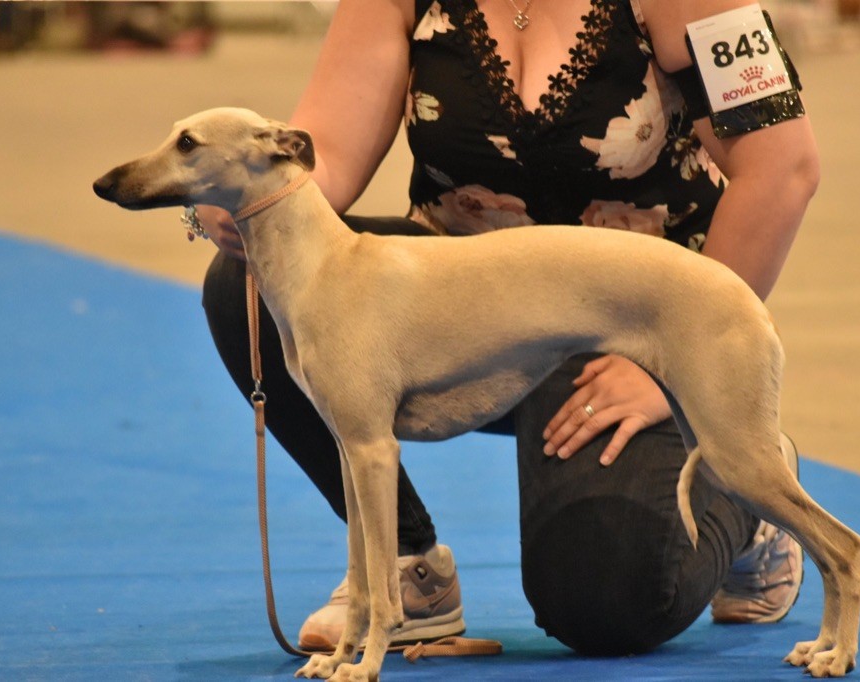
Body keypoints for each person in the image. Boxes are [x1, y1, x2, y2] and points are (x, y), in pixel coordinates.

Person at [197, 0, 818, 656]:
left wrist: (668, 368)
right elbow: (326, 164)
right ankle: (406, 567)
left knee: (606, 604)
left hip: (637, 327)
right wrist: (244, 191)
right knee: (249, 290)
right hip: (457, 318)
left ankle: (750, 491)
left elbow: (783, 168)